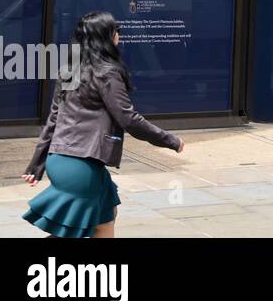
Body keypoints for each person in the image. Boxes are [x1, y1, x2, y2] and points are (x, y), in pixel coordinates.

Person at [22, 12, 184, 238]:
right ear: (105, 37)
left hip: (60, 161)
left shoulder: (70, 69)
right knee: (92, 227)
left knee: (104, 214)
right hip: (82, 164)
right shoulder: (107, 73)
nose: (119, 36)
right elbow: (128, 119)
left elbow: (53, 120)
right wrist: (170, 140)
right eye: (116, 31)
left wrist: (37, 164)